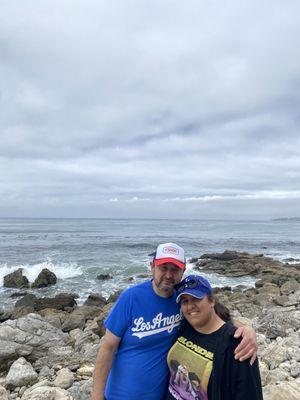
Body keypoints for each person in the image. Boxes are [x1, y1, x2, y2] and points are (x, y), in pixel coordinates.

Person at [92, 243, 258, 400]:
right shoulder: (131, 298)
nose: (169, 275)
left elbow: (212, 313)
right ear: (152, 267)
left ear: (183, 271)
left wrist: (245, 330)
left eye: (175, 269)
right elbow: (107, 348)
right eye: (163, 268)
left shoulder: (180, 300)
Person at [166, 274, 263, 400]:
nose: (190, 306)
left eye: (196, 299)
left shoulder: (238, 344)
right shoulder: (184, 326)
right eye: (185, 301)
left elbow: (249, 394)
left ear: (212, 301)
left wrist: (249, 330)